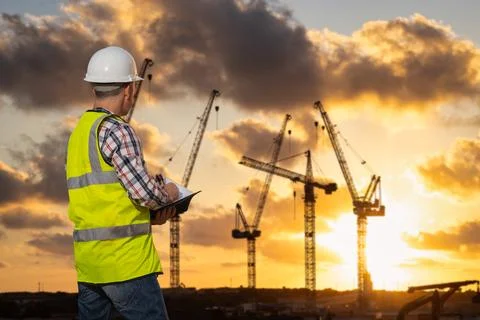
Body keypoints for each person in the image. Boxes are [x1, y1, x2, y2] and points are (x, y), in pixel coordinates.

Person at [65, 46, 179, 320]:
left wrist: (148, 220)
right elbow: (145, 195)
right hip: (126, 264)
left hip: (91, 266)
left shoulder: (80, 133)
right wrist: (170, 194)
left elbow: (101, 202)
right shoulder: (118, 129)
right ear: (128, 90)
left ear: (94, 87)